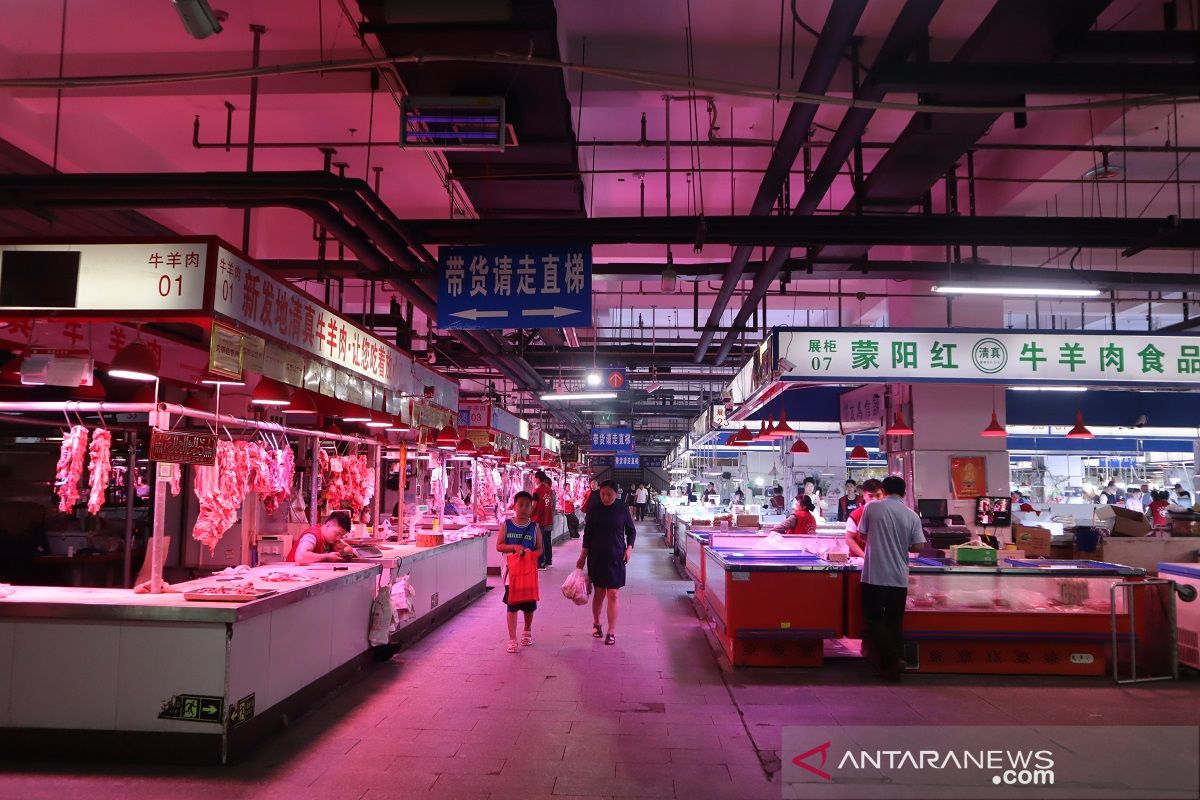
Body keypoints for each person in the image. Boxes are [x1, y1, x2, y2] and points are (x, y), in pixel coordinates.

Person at [859, 476, 926, 681]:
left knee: (874, 618)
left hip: (874, 575)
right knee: (895, 621)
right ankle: (893, 665)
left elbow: (862, 535)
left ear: (884, 490)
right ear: (904, 493)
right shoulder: (912, 515)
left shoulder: (872, 508)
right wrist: (900, 542)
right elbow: (918, 547)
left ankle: (893, 660)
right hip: (899, 577)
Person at [576, 480, 636, 646]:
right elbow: (587, 535)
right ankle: (596, 623)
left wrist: (629, 549)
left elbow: (631, 530)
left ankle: (611, 630)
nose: (605, 497)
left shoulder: (621, 508)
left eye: (609, 494)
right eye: (602, 494)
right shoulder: (594, 509)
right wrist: (582, 557)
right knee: (600, 593)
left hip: (616, 556)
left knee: (614, 593)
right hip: (596, 556)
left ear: (617, 494)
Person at [495, 491, 542, 653]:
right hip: (511, 573)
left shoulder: (535, 527)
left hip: (528, 572)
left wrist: (531, 554)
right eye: (520, 505)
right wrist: (514, 547)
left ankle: (527, 632)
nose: (523, 508)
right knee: (512, 604)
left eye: (527, 505)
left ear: (531, 508)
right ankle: (512, 639)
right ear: (514, 506)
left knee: (529, 605)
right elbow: (499, 546)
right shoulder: (506, 525)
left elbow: (540, 549)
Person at [289, 512, 354, 564]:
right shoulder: (312, 535)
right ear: (328, 525)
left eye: (341, 536)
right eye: (338, 534)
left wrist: (340, 551)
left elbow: (349, 550)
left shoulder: (331, 539)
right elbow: (300, 557)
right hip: (292, 575)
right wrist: (327, 557)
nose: (338, 538)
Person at [845, 478, 885, 558]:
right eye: (870, 496)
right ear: (864, 495)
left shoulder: (888, 513)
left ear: (883, 494)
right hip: (860, 561)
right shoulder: (855, 515)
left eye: (878, 495)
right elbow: (849, 538)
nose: (874, 499)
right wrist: (864, 556)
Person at [533, 471, 555, 570]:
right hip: (547, 518)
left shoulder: (537, 491)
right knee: (544, 540)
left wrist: (527, 515)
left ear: (537, 478)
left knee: (539, 541)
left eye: (535, 478)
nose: (534, 480)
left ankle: (541, 563)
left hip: (538, 518)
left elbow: (534, 506)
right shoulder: (549, 490)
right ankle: (545, 561)